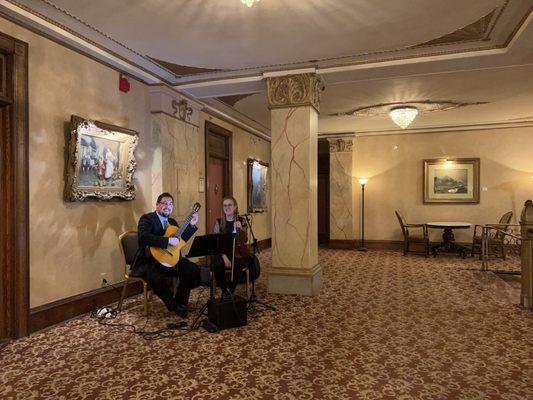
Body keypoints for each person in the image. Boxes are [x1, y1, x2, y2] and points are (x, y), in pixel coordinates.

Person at [131, 192, 200, 318]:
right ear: (157, 205)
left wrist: (191, 225)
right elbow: (144, 238)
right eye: (164, 203)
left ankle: (181, 301)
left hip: (171, 259)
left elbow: (181, 240)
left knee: (192, 269)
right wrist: (167, 241)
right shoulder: (147, 219)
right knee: (156, 278)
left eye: (171, 204)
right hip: (150, 261)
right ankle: (173, 304)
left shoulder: (173, 222)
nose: (168, 206)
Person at [212, 196, 249, 295]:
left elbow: (245, 240)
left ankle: (231, 289)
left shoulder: (242, 220)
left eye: (229, 205)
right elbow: (217, 243)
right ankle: (224, 290)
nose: (227, 207)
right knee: (216, 263)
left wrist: (241, 229)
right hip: (222, 252)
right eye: (224, 205)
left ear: (235, 207)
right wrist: (224, 257)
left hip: (237, 252)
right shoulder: (219, 222)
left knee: (239, 264)